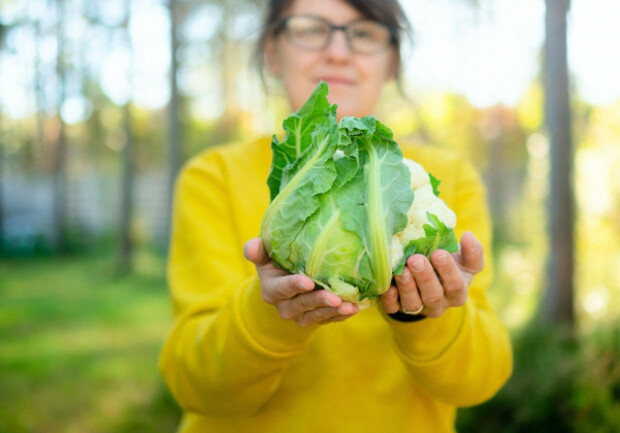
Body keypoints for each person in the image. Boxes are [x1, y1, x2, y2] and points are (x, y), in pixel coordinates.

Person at [159, 0, 513, 431]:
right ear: (272, 50)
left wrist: (423, 315)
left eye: (363, 33)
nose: (338, 52)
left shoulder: (452, 178)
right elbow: (194, 385)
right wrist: (270, 310)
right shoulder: (213, 177)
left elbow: (480, 381)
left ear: (393, 60)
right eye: (311, 29)